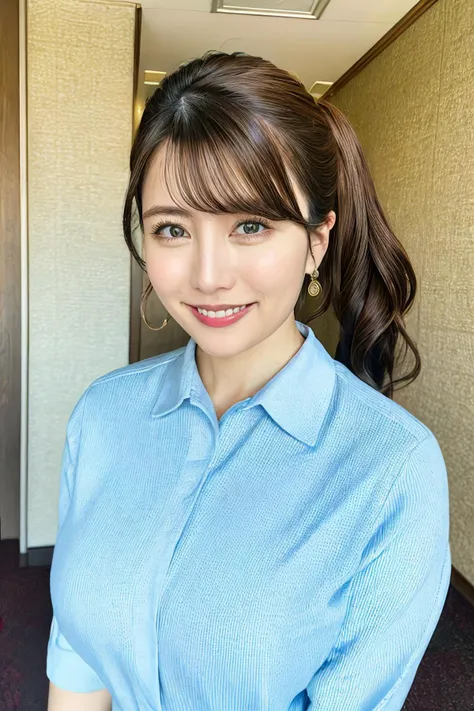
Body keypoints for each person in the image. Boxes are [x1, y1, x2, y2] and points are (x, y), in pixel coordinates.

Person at [46, 51, 451, 711]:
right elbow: (78, 650)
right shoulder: (102, 415)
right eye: (173, 228)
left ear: (318, 240)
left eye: (251, 225)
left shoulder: (392, 468)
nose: (208, 275)